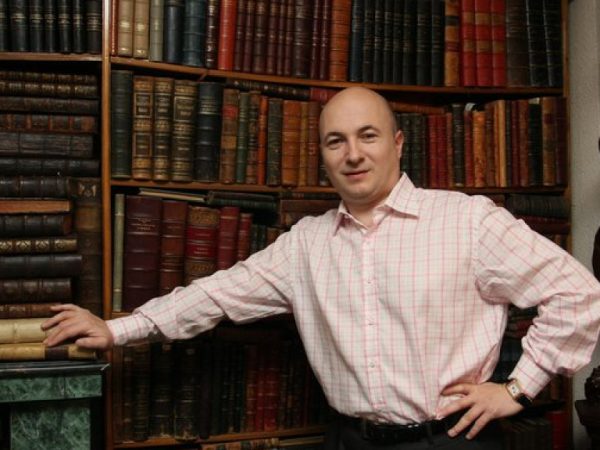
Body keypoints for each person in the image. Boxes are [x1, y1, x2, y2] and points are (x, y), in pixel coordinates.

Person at [43, 87, 600, 449]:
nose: (352, 153)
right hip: (347, 441)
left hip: (452, 440)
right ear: (323, 157)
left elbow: (577, 292)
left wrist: (518, 389)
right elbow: (217, 295)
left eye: (367, 136)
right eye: (336, 141)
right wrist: (117, 329)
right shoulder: (305, 244)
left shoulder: (466, 220)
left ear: (398, 144)